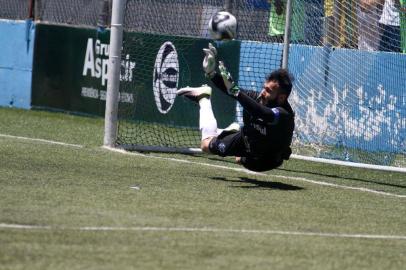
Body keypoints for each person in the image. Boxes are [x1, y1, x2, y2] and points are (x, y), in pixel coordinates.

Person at [176, 43, 295, 172]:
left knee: (240, 160)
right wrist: (211, 73)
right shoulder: (258, 98)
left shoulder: (284, 114)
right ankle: (203, 97)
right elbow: (232, 91)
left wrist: (236, 92)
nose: (262, 93)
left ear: (281, 98)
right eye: (263, 87)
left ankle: (231, 132)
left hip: (268, 159)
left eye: (268, 90)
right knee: (206, 145)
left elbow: (264, 114)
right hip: (248, 141)